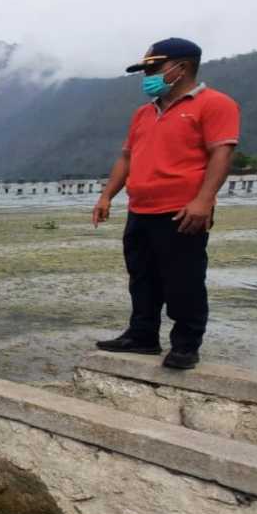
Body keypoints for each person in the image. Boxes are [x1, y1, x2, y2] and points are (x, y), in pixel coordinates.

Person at [92, 38, 240, 369]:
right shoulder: (143, 114)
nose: (148, 77)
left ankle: (186, 345)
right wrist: (106, 196)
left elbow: (222, 153)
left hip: (181, 211)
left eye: (153, 69)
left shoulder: (215, 104)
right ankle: (142, 336)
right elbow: (126, 158)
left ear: (181, 67)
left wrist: (203, 201)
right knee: (142, 278)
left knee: (183, 279)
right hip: (140, 210)